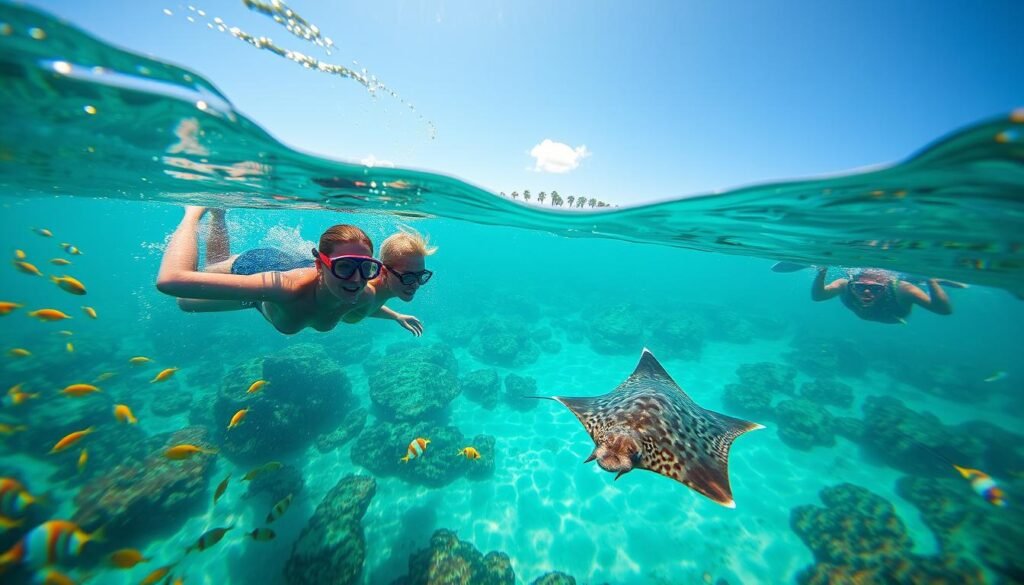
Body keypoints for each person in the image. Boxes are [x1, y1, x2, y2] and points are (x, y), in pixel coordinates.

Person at [156, 207, 428, 335]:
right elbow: (171, 281)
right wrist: (193, 215)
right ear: (321, 265)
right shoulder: (282, 287)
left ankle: (219, 215)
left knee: (209, 279)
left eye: (365, 268)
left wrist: (395, 316)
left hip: (293, 273)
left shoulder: (362, 295)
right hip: (258, 266)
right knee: (185, 303)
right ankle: (201, 213)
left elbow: (365, 307)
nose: (357, 279)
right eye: (345, 267)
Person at [811, 267, 955, 324]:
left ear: (885, 286)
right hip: (880, 316)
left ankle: (924, 279)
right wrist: (822, 272)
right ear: (852, 283)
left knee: (914, 279)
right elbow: (818, 296)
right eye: (860, 287)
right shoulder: (844, 285)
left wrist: (931, 281)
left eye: (875, 288)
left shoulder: (903, 290)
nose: (867, 292)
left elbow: (943, 310)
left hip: (895, 316)